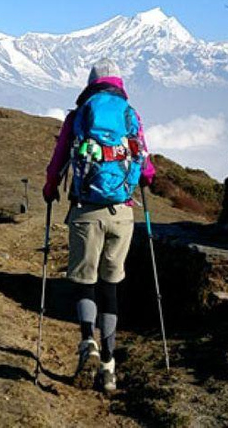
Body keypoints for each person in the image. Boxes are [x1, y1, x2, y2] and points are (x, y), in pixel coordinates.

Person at [42, 58, 155, 393]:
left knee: (85, 283)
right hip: (122, 214)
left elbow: (57, 164)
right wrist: (141, 180)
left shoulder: (77, 117)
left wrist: (50, 190)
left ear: (91, 84)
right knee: (110, 286)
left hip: (85, 213)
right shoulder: (131, 116)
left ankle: (86, 342)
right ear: (119, 85)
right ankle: (108, 364)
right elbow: (146, 168)